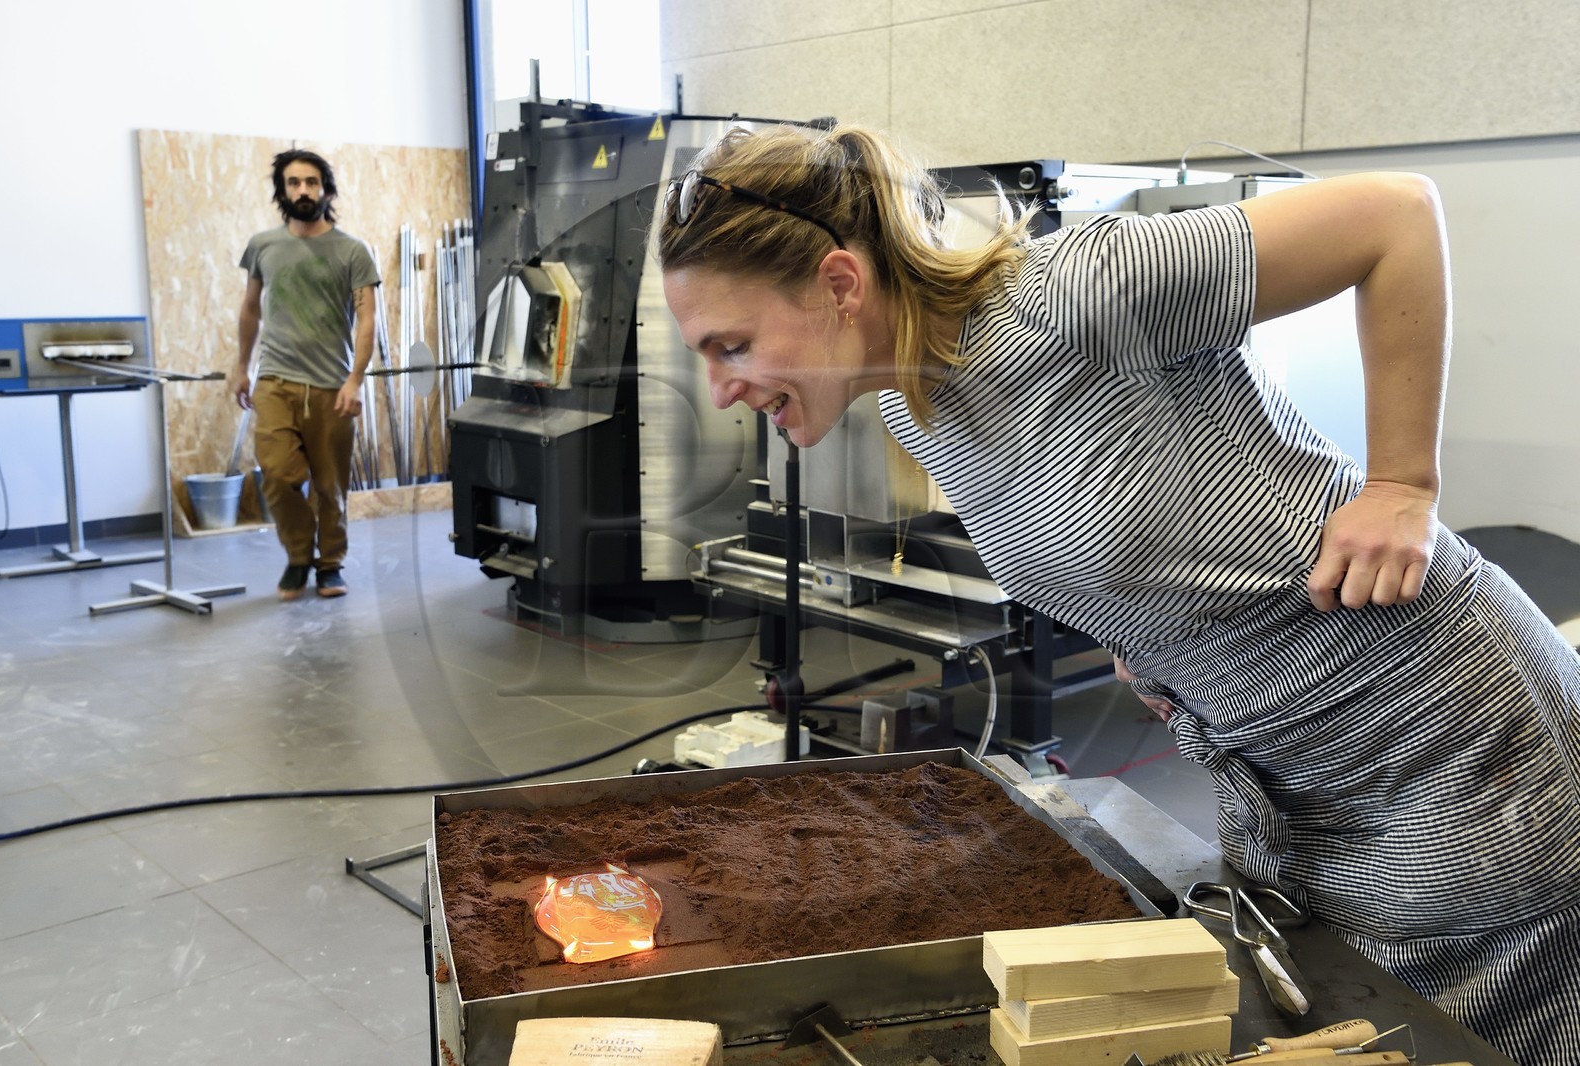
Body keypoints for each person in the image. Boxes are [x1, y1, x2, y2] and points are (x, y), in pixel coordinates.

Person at [653, 123, 1580, 1065]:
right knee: (1358, 1021)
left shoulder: (1072, 293)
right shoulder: (915, 402)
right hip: (1284, 783)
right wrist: (1158, 641)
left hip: (1451, 740)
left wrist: (1401, 486)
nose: (722, 387)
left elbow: (1397, 215)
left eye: (733, 345)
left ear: (839, 285)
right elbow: (1135, 527)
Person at [229, 148, 380, 600]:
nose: (303, 190)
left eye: (311, 182)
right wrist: (241, 366)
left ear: (326, 190)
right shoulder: (263, 246)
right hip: (274, 380)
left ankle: (329, 564)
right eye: (294, 183)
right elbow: (250, 309)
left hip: (332, 386)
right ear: (283, 191)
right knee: (276, 474)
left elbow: (368, 319)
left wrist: (355, 380)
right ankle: (298, 555)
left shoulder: (352, 251)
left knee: (330, 486)